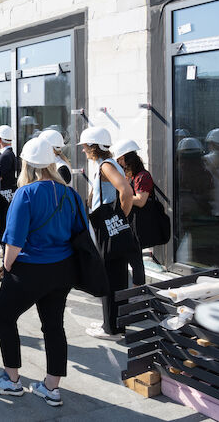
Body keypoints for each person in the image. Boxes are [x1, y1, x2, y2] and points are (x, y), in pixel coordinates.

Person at [0, 137, 86, 408]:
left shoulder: (25, 193)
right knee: (53, 326)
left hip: (30, 268)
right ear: (52, 163)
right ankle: (51, 387)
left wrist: (5, 268)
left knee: (4, 314)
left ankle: (12, 379)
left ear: (25, 164)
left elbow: (13, 244)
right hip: (63, 268)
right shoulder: (70, 193)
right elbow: (81, 232)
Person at [79, 127, 133, 340]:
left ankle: (111, 328)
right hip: (111, 227)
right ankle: (114, 324)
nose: (83, 151)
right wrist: (121, 217)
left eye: (85, 147)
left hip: (106, 227)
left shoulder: (106, 166)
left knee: (109, 277)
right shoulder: (112, 164)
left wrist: (120, 216)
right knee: (117, 276)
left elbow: (126, 192)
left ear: (93, 146)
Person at [111, 138, 153, 285]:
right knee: (130, 256)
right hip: (127, 221)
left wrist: (124, 196)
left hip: (137, 223)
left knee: (135, 259)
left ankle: (138, 288)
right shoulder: (129, 176)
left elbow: (141, 201)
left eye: (118, 160)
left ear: (123, 159)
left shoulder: (143, 176)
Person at [0, 124, 17, 279]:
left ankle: (6, 268)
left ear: (0, 140)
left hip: (3, 198)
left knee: (3, 231)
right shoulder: (9, 154)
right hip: (7, 196)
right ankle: (4, 266)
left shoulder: (5, 156)